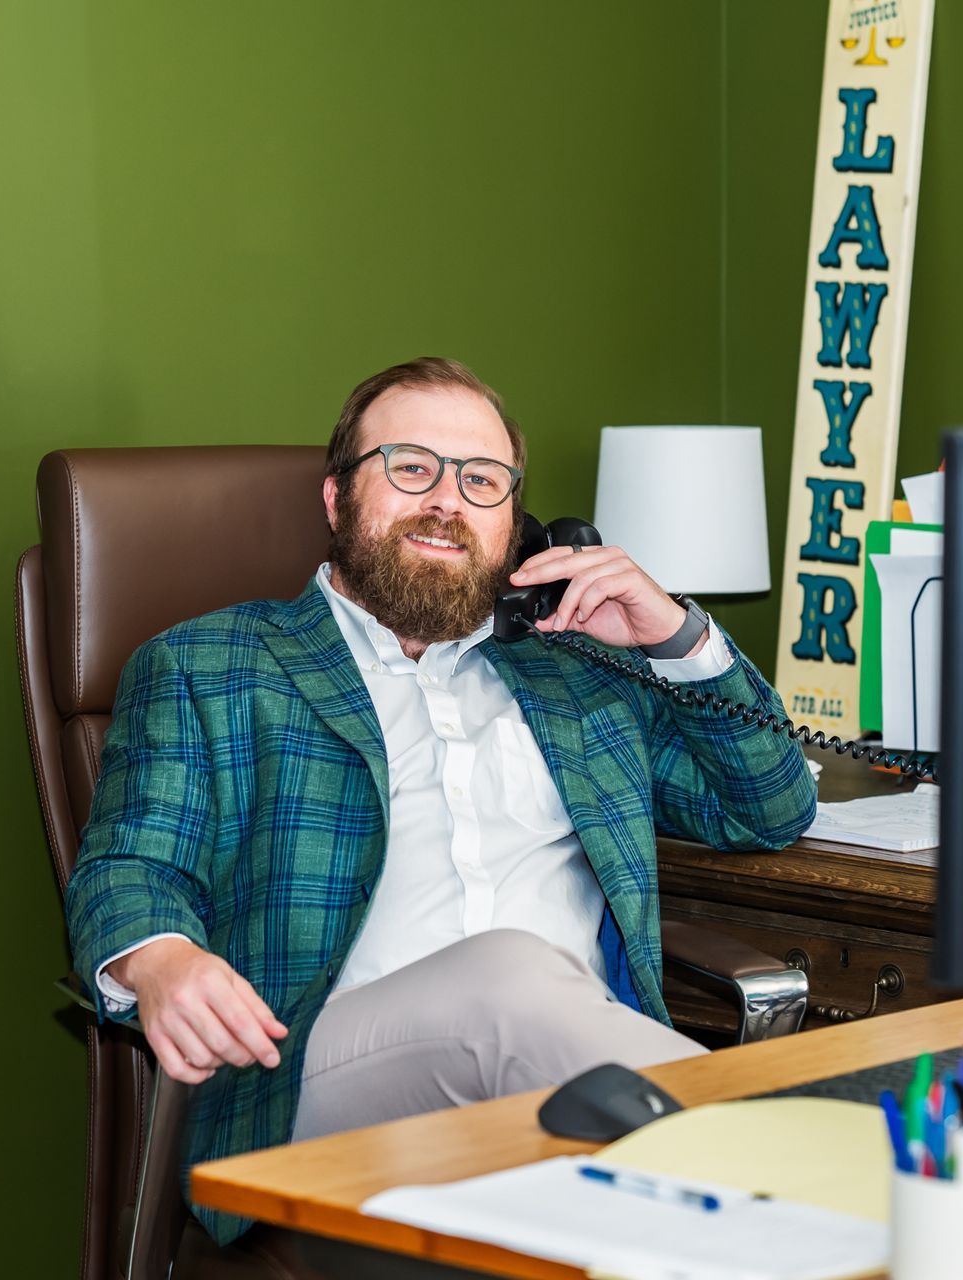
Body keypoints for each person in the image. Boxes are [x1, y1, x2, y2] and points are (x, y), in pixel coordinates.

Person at [65, 357, 816, 1246]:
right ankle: (806, 1178)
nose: (447, 500)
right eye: (412, 467)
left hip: (568, 1096)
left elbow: (767, 805)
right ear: (338, 499)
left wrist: (675, 634)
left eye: (482, 481)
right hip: (322, 1089)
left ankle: (785, 1195)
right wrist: (160, 964)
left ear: (518, 527)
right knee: (505, 977)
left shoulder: (579, 676)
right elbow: (129, 867)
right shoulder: (214, 665)